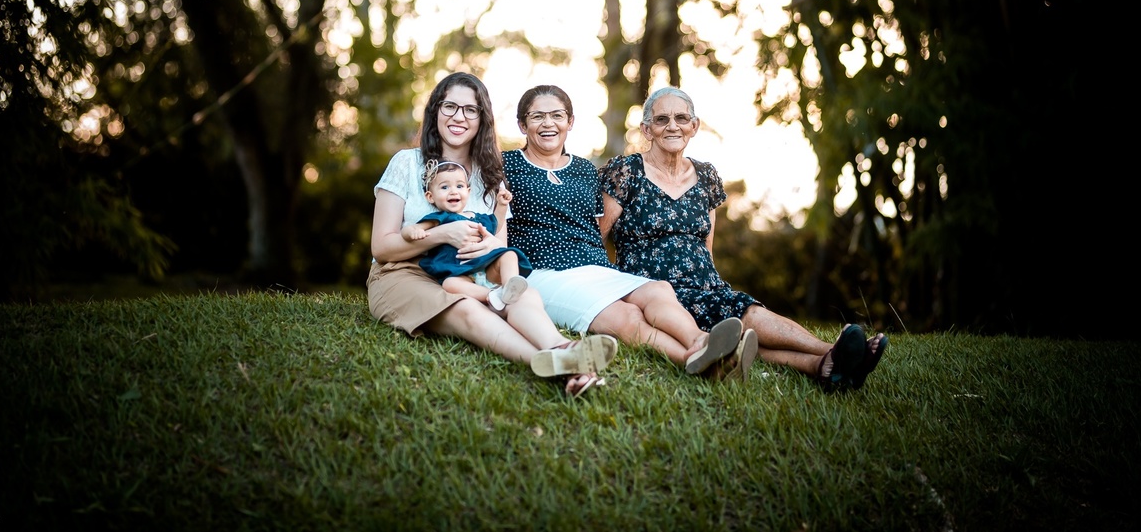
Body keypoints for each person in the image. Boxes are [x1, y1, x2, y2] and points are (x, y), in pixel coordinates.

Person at [599, 86, 888, 392]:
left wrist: (714, 286)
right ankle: (837, 351)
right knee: (745, 319)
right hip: (652, 291)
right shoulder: (626, 171)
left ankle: (826, 364)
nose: (673, 126)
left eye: (682, 118)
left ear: (694, 126)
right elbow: (597, 237)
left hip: (704, 285)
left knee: (746, 322)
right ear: (647, 129)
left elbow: (705, 246)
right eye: (662, 119)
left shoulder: (706, 176)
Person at [368, 72, 618, 397]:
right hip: (403, 274)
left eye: (470, 110)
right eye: (450, 107)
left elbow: (498, 248)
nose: (459, 117)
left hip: (473, 277)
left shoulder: (491, 176)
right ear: (435, 112)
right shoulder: (407, 163)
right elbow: (382, 246)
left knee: (521, 292)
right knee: (466, 308)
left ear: (482, 119)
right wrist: (442, 235)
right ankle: (553, 363)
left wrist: (491, 250)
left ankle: (561, 346)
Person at [504, 84, 757, 380]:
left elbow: (598, 228)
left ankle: (700, 340)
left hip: (595, 267)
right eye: (537, 117)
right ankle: (700, 361)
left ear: (570, 122)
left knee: (658, 289)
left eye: (557, 115)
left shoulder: (585, 170)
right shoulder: (505, 165)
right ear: (522, 124)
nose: (548, 123)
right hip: (545, 271)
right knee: (626, 316)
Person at [402, 158, 531, 312]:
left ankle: (510, 285)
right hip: (458, 271)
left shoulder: (476, 217)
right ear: (430, 196)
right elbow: (411, 229)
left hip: (486, 267)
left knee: (509, 254)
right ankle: (492, 295)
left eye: (459, 186)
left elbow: (496, 223)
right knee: (450, 285)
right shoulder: (442, 218)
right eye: (444, 187)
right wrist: (412, 232)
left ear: (468, 192)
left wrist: (502, 205)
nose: (454, 191)